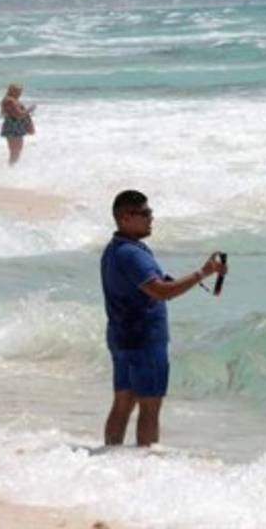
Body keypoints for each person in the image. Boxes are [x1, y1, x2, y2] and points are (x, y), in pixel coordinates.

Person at [101, 190, 227, 448]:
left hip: (122, 336)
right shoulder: (131, 254)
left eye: (151, 212)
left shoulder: (118, 249)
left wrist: (188, 278)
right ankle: (145, 468)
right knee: (150, 406)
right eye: (145, 213)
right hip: (143, 338)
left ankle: (110, 457)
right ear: (125, 218)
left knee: (123, 402)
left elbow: (154, 285)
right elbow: (160, 291)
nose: (151, 218)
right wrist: (202, 273)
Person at [0, 83, 35, 166]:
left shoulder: (11, 100)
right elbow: (18, 115)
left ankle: (12, 168)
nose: (20, 94)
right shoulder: (10, 101)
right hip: (13, 127)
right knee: (15, 150)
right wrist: (29, 110)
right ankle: (11, 168)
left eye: (20, 92)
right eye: (18, 91)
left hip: (14, 126)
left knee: (16, 150)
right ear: (12, 91)